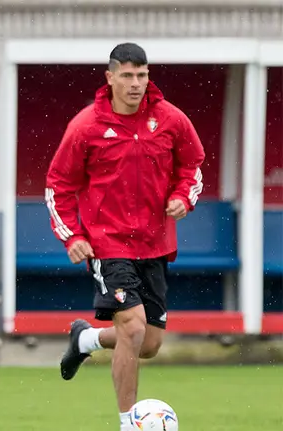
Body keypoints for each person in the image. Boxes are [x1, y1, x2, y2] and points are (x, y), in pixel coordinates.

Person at [45, 43, 205, 431]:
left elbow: (193, 165)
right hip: (108, 245)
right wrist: (72, 237)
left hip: (155, 245)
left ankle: (85, 341)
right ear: (111, 77)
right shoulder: (86, 126)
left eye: (143, 75)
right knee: (131, 328)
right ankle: (128, 423)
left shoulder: (170, 119)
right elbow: (58, 185)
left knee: (147, 344)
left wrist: (184, 196)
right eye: (128, 75)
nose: (136, 84)